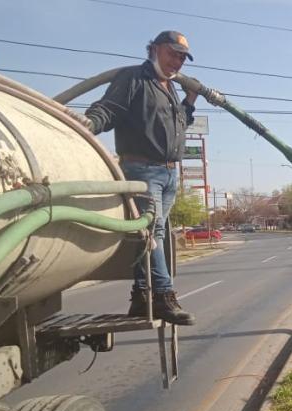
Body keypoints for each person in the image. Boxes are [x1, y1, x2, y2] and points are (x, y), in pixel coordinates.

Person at [83, 30, 198, 325]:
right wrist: (88, 124)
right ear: (155, 49)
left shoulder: (169, 88)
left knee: (148, 235)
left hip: (169, 172)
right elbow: (108, 110)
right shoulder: (133, 79)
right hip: (142, 170)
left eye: (183, 57)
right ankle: (163, 295)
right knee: (152, 234)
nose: (178, 62)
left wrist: (189, 101)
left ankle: (142, 296)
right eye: (173, 54)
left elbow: (179, 125)